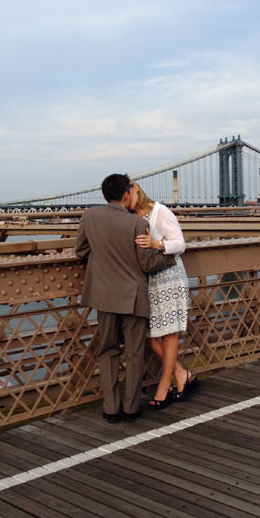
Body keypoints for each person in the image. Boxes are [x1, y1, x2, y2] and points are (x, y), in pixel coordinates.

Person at [75, 174, 175, 423]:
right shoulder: (138, 224)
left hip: (104, 294)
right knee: (134, 351)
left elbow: (80, 251)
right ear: (126, 195)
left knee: (107, 350)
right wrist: (168, 257)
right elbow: (147, 264)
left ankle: (110, 408)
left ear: (104, 195)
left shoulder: (89, 217)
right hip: (133, 296)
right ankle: (131, 408)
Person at [130, 181, 199, 409]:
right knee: (148, 333)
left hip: (169, 276)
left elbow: (180, 244)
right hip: (148, 280)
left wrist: (156, 243)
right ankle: (181, 374)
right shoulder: (129, 216)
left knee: (169, 333)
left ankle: (164, 385)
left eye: (127, 193)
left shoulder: (160, 211)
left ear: (136, 190)